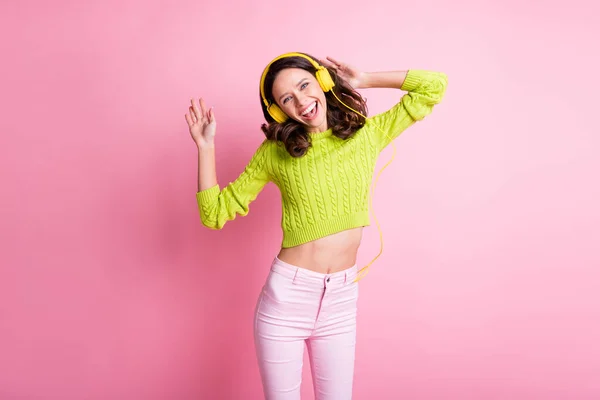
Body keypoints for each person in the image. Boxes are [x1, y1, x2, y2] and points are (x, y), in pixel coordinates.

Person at [185, 52, 447, 400]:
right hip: (287, 300)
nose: (301, 102)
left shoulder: (366, 134)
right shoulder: (275, 152)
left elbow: (434, 87)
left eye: (305, 85)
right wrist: (206, 146)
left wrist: (365, 78)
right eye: (286, 99)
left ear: (323, 82)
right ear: (278, 111)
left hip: (341, 299)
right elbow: (214, 213)